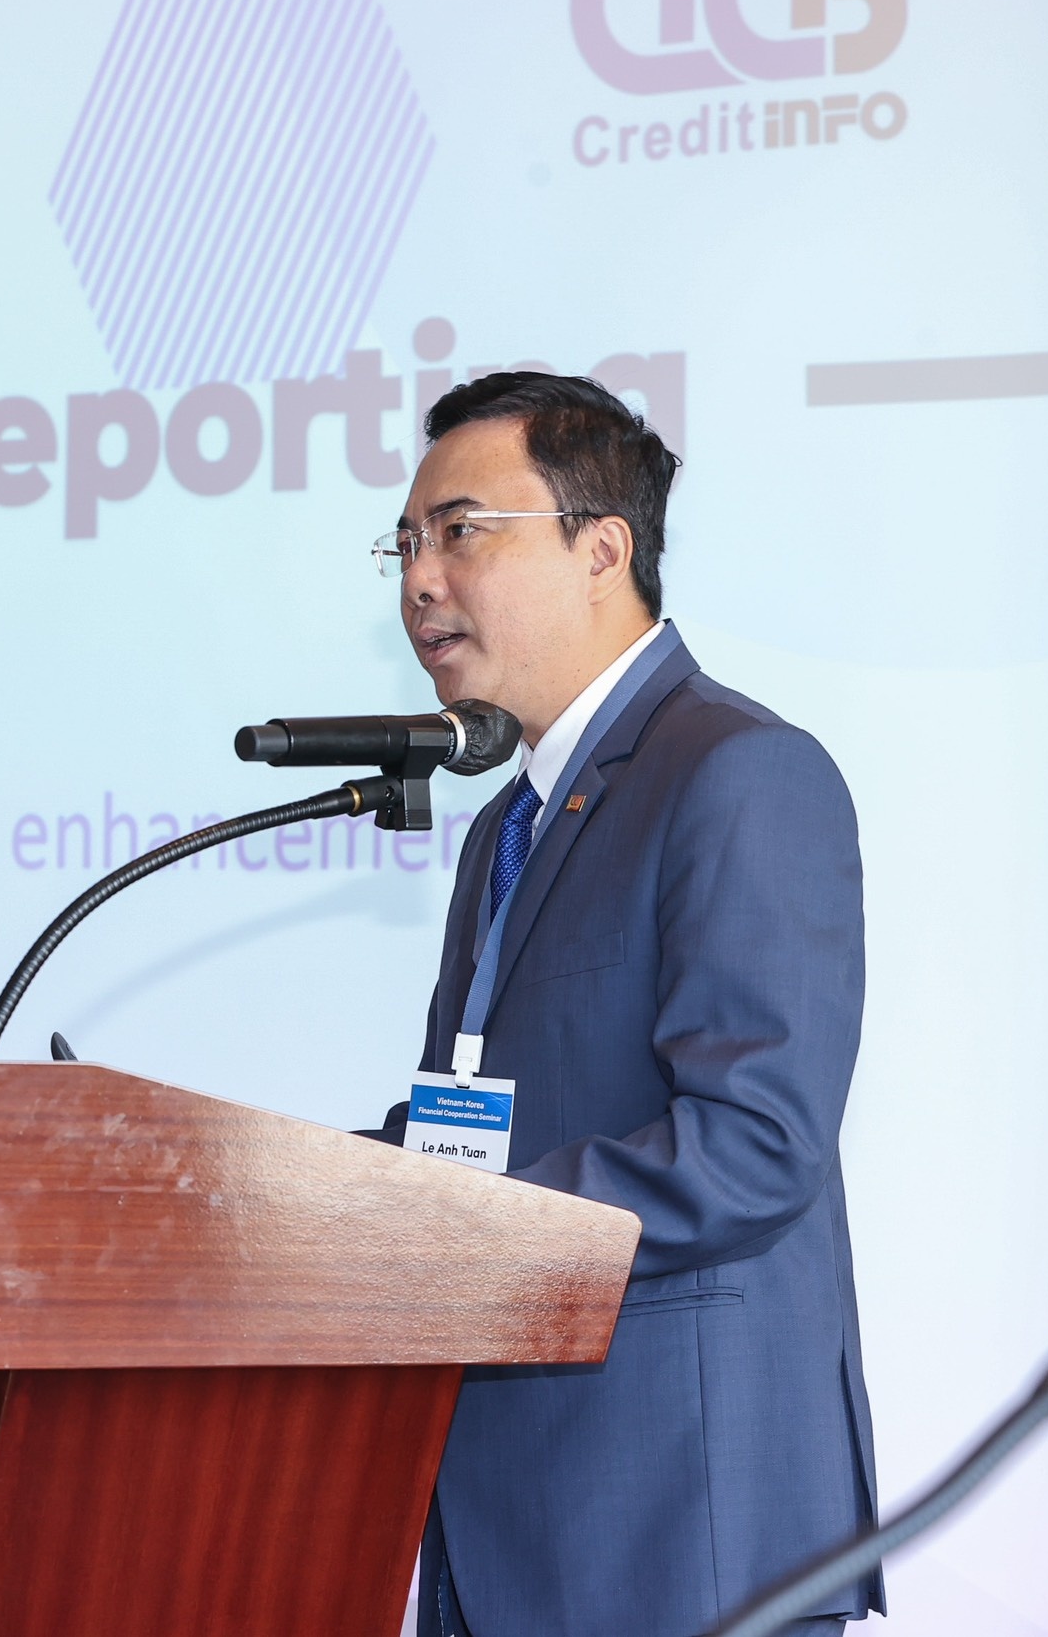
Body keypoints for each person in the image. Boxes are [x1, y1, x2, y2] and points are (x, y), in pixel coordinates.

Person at [369, 373, 882, 1637]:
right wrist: (287, 1183)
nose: (420, 579)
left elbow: (754, 1143)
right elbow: (477, 1129)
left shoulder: (738, 771)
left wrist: (461, 1220)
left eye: (459, 531)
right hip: (499, 1514)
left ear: (602, 550)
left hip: (677, 1527)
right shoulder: (508, 821)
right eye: (406, 542)